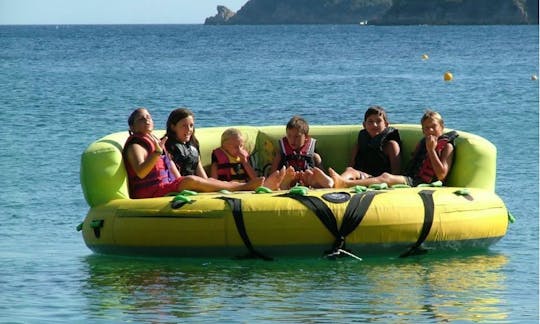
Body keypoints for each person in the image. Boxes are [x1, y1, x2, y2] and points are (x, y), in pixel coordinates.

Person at [122, 108, 265, 199]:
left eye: (149, 117)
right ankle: (244, 187)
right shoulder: (136, 145)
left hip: (163, 187)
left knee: (205, 181)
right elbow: (140, 172)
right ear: (132, 127)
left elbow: (169, 165)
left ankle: (246, 188)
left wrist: (178, 184)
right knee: (190, 180)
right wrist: (156, 154)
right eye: (141, 118)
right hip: (149, 192)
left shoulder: (156, 142)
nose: (147, 119)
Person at [329, 110, 457, 188]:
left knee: (386, 177)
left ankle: (345, 184)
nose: (430, 130)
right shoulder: (423, 143)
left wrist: (431, 151)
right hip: (410, 179)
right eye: (426, 128)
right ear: (422, 130)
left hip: (421, 183)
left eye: (433, 126)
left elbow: (441, 175)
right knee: (351, 170)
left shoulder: (447, 147)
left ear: (442, 126)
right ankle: (335, 182)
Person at [340, 105, 402, 181]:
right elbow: (351, 166)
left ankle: (336, 182)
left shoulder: (391, 145)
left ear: (386, 124)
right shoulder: (359, 145)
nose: (374, 125)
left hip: (383, 180)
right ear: (364, 125)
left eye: (378, 121)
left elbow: (396, 173)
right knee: (349, 170)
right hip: (361, 179)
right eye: (370, 121)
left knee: (350, 172)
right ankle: (336, 182)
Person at [211, 128, 285, 190]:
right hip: (227, 188)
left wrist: (245, 162)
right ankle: (271, 185)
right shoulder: (218, 156)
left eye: (241, 146)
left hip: (245, 188)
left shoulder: (244, 158)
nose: (239, 150)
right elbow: (213, 181)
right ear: (224, 146)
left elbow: (254, 178)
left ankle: (277, 183)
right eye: (236, 147)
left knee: (259, 183)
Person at [269, 115, 328, 189]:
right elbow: (272, 177)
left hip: (307, 182)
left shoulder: (314, 156)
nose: (292, 140)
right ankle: (286, 182)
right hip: (288, 183)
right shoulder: (280, 155)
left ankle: (324, 182)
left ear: (306, 137)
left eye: (297, 136)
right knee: (279, 181)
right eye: (289, 136)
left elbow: (321, 174)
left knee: (316, 162)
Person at [165, 108, 208, 178]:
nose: (189, 129)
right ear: (173, 127)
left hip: (194, 184)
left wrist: (208, 183)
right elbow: (176, 178)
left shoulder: (193, 143)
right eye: (184, 126)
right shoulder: (167, 146)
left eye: (191, 125)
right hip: (178, 184)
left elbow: (199, 170)